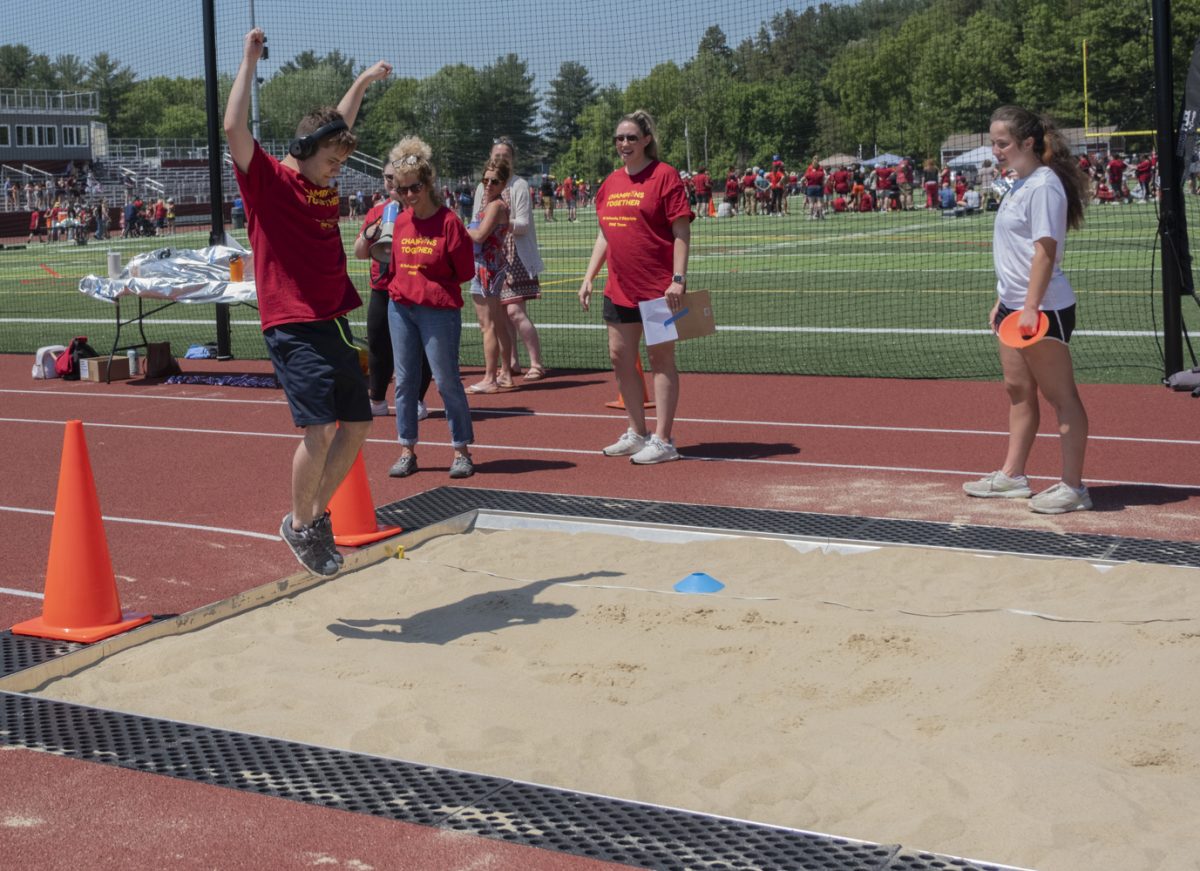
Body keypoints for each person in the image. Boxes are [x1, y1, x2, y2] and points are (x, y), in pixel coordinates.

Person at [224, 27, 392, 576]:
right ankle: (299, 526)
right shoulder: (268, 181)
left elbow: (339, 124)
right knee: (318, 430)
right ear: (301, 149)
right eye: (331, 159)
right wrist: (249, 61)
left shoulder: (325, 170)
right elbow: (233, 127)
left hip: (334, 321)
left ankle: (314, 517)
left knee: (359, 424)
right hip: (292, 324)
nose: (337, 169)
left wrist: (363, 80)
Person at [963, 105, 1091, 514]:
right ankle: (1013, 477)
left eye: (1002, 143)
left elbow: (1044, 252)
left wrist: (1031, 307)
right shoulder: (1018, 183)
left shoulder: (1044, 185)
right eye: (994, 142)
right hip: (1013, 308)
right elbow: (1014, 252)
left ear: (1028, 143)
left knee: (1062, 398)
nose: (995, 150)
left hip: (1042, 309)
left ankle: (1074, 488)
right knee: (1018, 392)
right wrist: (1004, 300)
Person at [579, 110, 692, 465]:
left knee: (661, 360)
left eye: (630, 137)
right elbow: (605, 233)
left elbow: (681, 231)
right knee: (620, 359)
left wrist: (678, 278)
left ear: (646, 140)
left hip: (659, 290)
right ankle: (636, 432)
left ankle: (663, 440)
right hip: (619, 289)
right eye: (619, 138)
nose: (624, 144)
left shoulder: (665, 176)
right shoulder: (611, 182)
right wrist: (589, 274)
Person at [384, 137, 476, 481]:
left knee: (447, 380)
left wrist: (431, 282)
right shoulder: (402, 222)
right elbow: (393, 264)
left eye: (415, 187)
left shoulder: (450, 223)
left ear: (428, 183)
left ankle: (461, 450)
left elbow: (465, 271)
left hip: (437, 311)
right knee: (405, 382)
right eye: (402, 189)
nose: (408, 195)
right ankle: (407, 449)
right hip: (401, 309)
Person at [353, 163, 432, 421]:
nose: (390, 182)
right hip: (382, 287)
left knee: (418, 347)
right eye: (387, 177)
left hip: (414, 289)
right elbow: (360, 253)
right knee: (378, 344)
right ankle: (376, 398)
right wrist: (368, 234)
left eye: (395, 178)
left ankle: (416, 399)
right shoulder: (377, 211)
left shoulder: (421, 210)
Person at [474, 136, 546, 382]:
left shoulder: (518, 185)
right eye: (496, 156)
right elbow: (476, 219)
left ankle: (536, 363)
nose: (500, 160)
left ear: (512, 160)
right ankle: (511, 364)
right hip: (491, 255)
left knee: (515, 311)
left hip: (515, 253)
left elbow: (524, 224)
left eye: (505, 156)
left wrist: (499, 222)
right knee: (500, 316)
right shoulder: (482, 186)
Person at [465, 156, 517, 394]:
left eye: (494, 181)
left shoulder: (496, 206)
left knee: (487, 326)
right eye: (485, 180)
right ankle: (504, 373)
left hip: (487, 267)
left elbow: (479, 236)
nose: (488, 185)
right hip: (489, 267)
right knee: (497, 323)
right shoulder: (491, 204)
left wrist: (459, 227)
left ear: (503, 183)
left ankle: (490, 378)